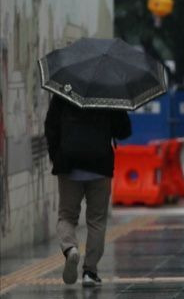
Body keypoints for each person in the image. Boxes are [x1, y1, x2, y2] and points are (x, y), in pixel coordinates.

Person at [45, 95, 131, 287]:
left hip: (69, 164)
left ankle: (70, 249)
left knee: (67, 216)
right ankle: (90, 272)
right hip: (100, 166)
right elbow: (124, 131)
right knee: (97, 220)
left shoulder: (63, 92)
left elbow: (50, 126)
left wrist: (55, 156)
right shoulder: (109, 94)